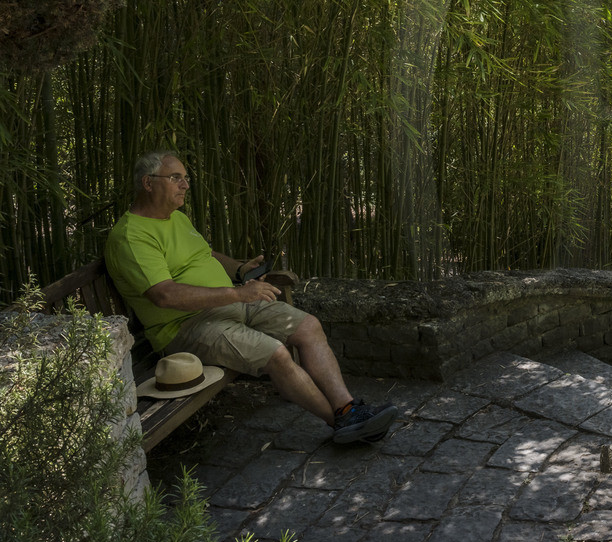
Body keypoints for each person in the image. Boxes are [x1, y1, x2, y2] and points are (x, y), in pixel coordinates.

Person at [105, 151, 398, 443]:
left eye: (186, 178)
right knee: (277, 354)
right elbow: (164, 295)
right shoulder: (132, 236)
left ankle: (348, 408)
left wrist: (240, 269)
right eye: (175, 178)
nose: (185, 185)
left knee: (308, 326)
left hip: (231, 304)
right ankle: (342, 424)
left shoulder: (176, 219)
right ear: (148, 183)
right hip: (186, 327)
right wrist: (237, 293)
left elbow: (205, 255)